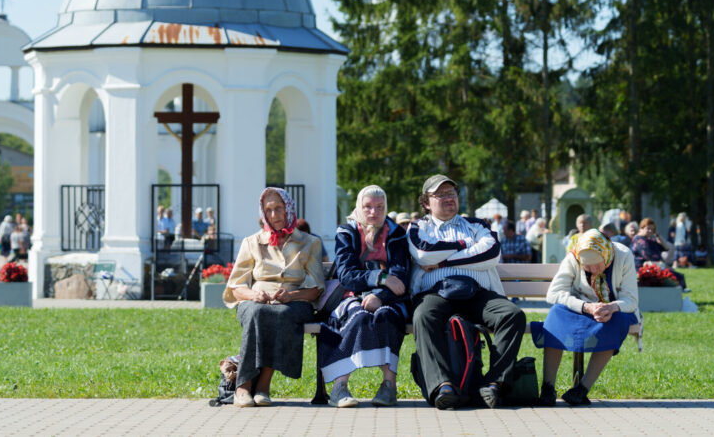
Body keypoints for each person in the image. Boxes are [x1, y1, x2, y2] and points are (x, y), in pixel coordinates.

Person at [408, 174, 526, 410]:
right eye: (441, 194)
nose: (448, 198)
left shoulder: (477, 225)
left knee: (512, 314)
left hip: (477, 293)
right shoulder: (418, 227)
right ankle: (443, 386)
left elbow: (490, 254)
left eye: (451, 193)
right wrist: (464, 246)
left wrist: (443, 263)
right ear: (426, 202)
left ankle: (492, 384)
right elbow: (423, 254)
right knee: (423, 316)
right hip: (436, 292)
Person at [224, 187, 325, 408]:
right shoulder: (251, 242)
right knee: (258, 311)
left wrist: (291, 295)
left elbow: (316, 288)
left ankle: (263, 386)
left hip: (295, 301)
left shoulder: (310, 242)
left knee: (281, 312)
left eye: (278, 208)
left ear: (288, 208)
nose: (274, 214)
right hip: (255, 300)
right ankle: (244, 386)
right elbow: (236, 286)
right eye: (268, 210)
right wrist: (254, 294)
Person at [318, 185, 410, 408]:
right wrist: (381, 277)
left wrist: (380, 295)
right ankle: (339, 388)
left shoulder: (396, 234)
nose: (373, 212)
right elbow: (347, 275)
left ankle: (389, 387)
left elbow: (400, 277)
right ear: (359, 207)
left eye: (379, 207)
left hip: (386, 299)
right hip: (349, 295)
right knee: (357, 316)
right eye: (367, 207)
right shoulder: (346, 232)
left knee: (387, 316)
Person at [530, 229, 639, 406]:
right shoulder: (574, 255)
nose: (593, 271)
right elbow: (554, 293)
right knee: (556, 314)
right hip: (580, 307)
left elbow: (631, 299)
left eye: (598, 265)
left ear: (607, 253)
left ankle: (582, 389)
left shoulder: (624, 255)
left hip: (612, 309)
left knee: (618, 320)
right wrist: (585, 307)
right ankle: (548, 388)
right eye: (588, 267)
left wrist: (612, 307)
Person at [631, 218, 687, 290]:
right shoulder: (639, 240)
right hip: (643, 270)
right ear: (641, 228)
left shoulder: (650, 240)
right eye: (648, 228)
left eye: (652, 229)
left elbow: (666, 248)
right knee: (676, 277)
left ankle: (679, 294)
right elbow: (649, 256)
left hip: (655, 267)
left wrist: (657, 235)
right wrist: (664, 265)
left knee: (678, 276)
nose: (650, 231)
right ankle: (678, 295)